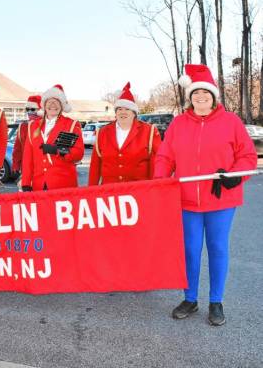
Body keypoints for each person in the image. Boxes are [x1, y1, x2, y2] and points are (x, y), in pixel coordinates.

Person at [154, 64, 257, 326]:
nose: (200, 98)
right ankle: (190, 298)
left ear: (213, 97)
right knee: (189, 250)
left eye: (205, 94)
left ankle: (216, 301)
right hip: (186, 199)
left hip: (220, 200)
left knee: (218, 248)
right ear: (190, 97)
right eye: (195, 94)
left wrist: (234, 176)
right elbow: (165, 156)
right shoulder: (178, 124)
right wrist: (160, 181)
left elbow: (247, 156)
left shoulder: (230, 121)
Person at [88, 82, 161, 185]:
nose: (123, 112)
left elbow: (156, 164)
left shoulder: (149, 131)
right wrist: (92, 191)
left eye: (127, 109)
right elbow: (95, 166)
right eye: (120, 109)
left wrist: (154, 189)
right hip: (109, 193)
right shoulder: (102, 132)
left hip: (139, 191)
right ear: (116, 112)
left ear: (134, 113)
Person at [21, 85, 84, 191]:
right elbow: (28, 157)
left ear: (62, 105)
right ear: (44, 105)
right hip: (38, 185)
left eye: (57, 101)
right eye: (49, 101)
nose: (52, 104)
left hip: (63, 185)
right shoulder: (33, 126)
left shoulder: (70, 125)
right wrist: (26, 182)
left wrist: (57, 150)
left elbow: (78, 154)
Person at [11, 95, 42, 177]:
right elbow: (17, 150)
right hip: (26, 169)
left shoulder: (47, 126)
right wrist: (15, 166)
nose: (29, 112)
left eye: (33, 109)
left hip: (43, 169)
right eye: (27, 109)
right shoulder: (23, 127)